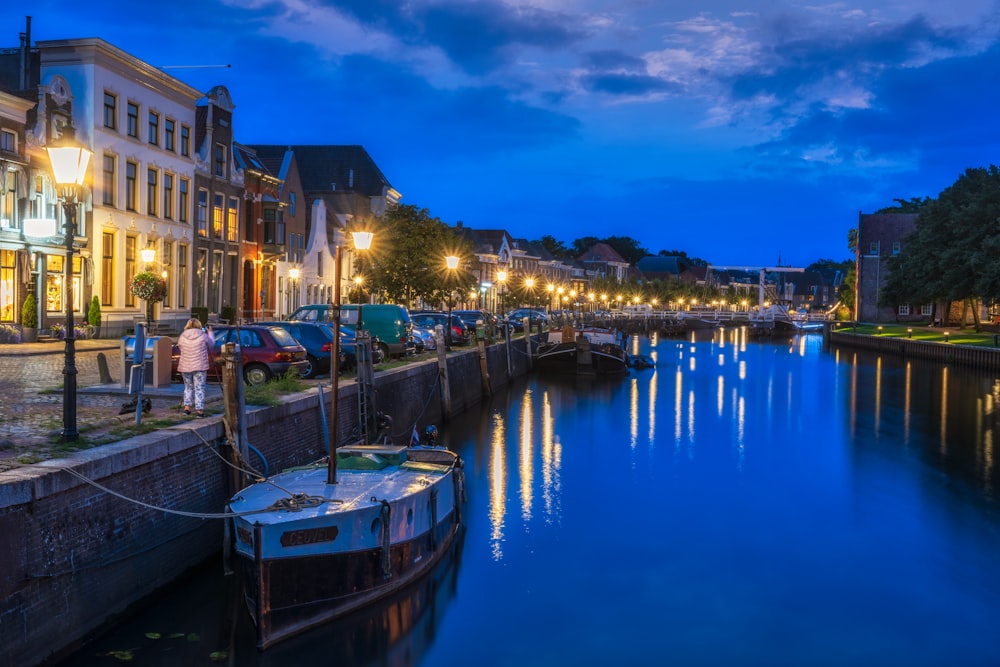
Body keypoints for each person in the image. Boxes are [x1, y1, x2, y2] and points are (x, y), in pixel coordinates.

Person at [176, 318, 213, 417]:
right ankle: (199, 410)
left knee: (188, 387)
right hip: (199, 366)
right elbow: (212, 344)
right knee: (199, 388)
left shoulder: (182, 336)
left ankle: (187, 408)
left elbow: (180, 347)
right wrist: (210, 332)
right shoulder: (203, 335)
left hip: (185, 365)